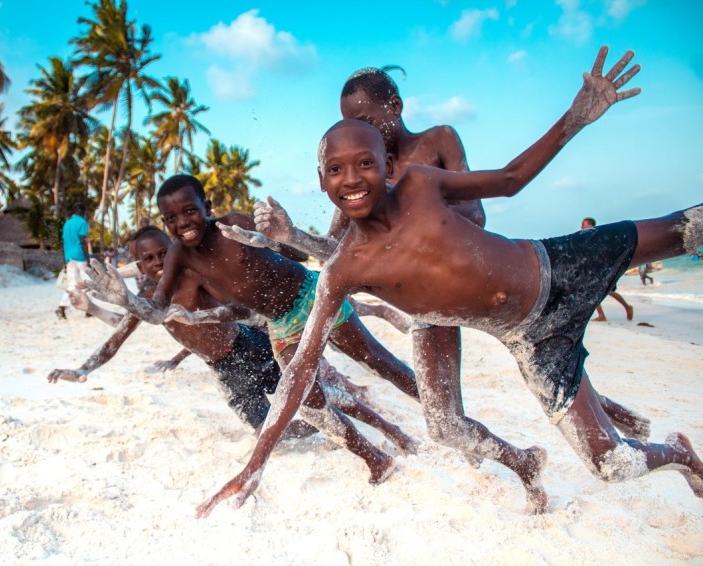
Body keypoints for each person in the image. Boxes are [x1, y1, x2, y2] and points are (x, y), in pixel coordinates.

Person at [194, 47, 703, 517]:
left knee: (685, 229)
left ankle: (612, 409)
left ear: (386, 164)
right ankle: (678, 451)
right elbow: (300, 369)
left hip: (556, 268)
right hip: (528, 338)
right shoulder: (345, 264)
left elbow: (507, 180)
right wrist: (254, 463)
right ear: (321, 179)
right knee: (610, 463)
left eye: (366, 161)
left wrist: (577, 115)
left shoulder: (421, 179)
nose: (351, 179)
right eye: (335, 170)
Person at [243, 64, 649, 464]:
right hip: (427, 307)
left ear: (396, 106)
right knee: (444, 425)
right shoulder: (359, 182)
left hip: (476, 276)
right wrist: (291, 235)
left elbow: (477, 214)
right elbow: (335, 252)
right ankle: (525, 462)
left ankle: (615, 413)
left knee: (543, 354)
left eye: (366, 120)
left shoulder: (433, 145)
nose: (360, 132)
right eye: (349, 123)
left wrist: (401, 202)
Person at [81, 175, 422, 484]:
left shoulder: (232, 224)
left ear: (207, 207)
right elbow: (156, 311)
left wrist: (273, 236)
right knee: (310, 405)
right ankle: (376, 459)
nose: (182, 223)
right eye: (171, 218)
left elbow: (296, 256)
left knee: (379, 362)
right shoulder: (179, 257)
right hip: (280, 324)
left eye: (189, 211)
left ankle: (440, 415)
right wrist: (125, 299)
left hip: (311, 297)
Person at [51, 226, 416, 451]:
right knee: (271, 431)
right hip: (226, 371)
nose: (158, 261)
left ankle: (380, 422)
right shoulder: (145, 301)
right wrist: (81, 367)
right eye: (148, 259)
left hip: (249, 345)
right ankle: (333, 428)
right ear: (140, 266)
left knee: (310, 393)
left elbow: (234, 309)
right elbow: (117, 334)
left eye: (164, 252)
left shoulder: (194, 279)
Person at [581, 217, 634, 321]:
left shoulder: (597, 236)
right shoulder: (587, 238)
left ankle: (627, 307)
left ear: (591, 225)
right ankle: (601, 315)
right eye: (582, 225)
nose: (582, 227)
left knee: (609, 291)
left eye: (584, 225)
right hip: (594, 270)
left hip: (604, 270)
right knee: (592, 293)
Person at [56, 202, 90, 320]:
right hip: (80, 257)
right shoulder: (82, 222)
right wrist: (87, 258)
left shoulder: (67, 223)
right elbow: (82, 241)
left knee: (73, 284)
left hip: (69, 258)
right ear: (82, 211)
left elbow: (63, 243)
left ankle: (62, 307)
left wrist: (64, 260)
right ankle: (88, 309)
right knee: (87, 282)